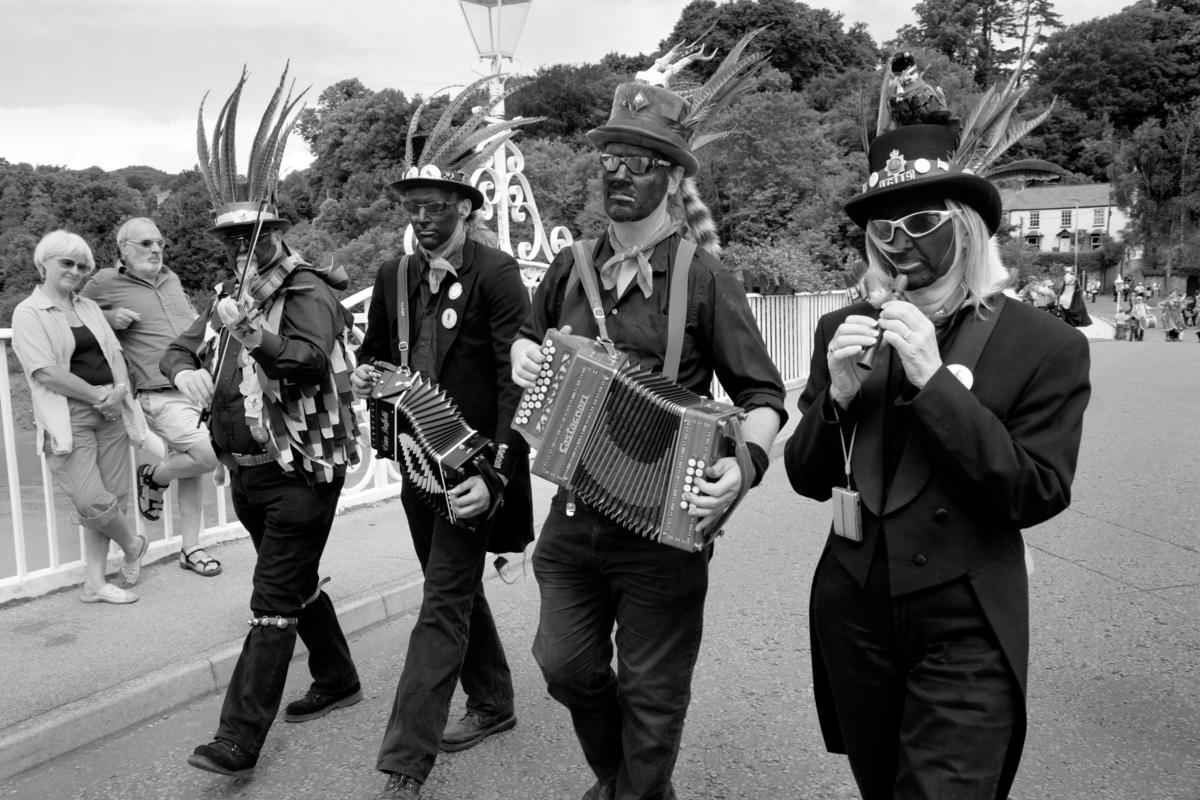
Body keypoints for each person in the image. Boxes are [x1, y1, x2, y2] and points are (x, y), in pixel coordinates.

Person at [784, 50, 1091, 800]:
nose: (901, 246)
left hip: (965, 620)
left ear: (963, 228)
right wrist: (840, 398)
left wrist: (931, 382)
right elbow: (804, 475)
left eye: (921, 222)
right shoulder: (842, 329)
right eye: (884, 228)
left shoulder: (1044, 344)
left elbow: (1036, 491)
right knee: (883, 787)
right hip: (854, 611)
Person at [510, 34, 786, 800]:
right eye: (612, 158)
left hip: (663, 530)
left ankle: (634, 789)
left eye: (642, 160)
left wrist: (744, 469)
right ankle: (628, 782)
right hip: (571, 516)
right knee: (562, 666)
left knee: (654, 694)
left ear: (672, 177)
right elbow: (528, 340)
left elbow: (765, 398)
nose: (621, 172)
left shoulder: (705, 278)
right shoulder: (569, 267)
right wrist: (521, 359)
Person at [165, 69, 362, 779]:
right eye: (228, 239)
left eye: (249, 235)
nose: (237, 249)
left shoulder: (306, 291)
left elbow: (307, 362)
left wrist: (253, 338)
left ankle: (238, 740)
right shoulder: (225, 291)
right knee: (298, 581)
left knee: (272, 601)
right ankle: (338, 678)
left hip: (301, 468)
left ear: (276, 232)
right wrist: (182, 367)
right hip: (246, 474)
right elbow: (179, 348)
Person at [355, 81, 537, 800]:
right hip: (415, 464)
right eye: (413, 207)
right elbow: (372, 353)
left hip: (471, 466)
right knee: (449, 587)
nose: (422, 219)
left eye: (436, 206)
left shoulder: (495, 272)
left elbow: (513, 378)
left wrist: (495, 471)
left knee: (440, 603)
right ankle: (493, 701)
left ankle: (407, 759)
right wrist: (374, 384)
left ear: (466, 207)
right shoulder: (392, 273)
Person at [11, 230, 149, 604]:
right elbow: (45, 371)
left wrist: (119, 391)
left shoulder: (87, 307)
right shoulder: (28, 312)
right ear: (44, 265)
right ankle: (133, 544)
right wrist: (96, 396)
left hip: (112, 411)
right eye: (66, 263)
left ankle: (95, 583)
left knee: (114, 498)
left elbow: (115, 354)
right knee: (91, 499)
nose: (75, 270)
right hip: (69, 416)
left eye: (82, 265)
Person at [81, 217, 221, 576]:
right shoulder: (104, 282)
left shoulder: (171, 278)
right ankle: (155, 477)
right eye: (145, 244)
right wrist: (108, 317)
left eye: (159, 243)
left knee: (193, 467)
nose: (156, 249)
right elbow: (69, 312)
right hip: (157, 390)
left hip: (199, 384)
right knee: (208, 454)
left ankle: (191, 548)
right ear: (123, 249)